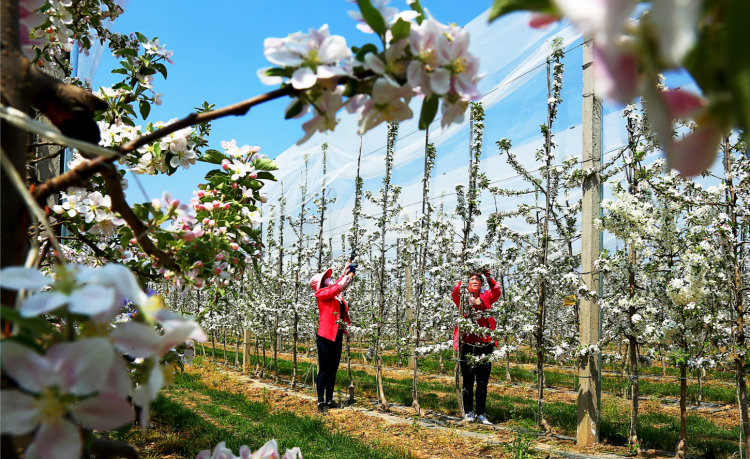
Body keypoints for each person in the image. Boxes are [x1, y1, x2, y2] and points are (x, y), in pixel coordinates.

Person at [452, 268, 501, 425]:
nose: (474, 280)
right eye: (471, 278)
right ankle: (469, 412)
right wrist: (463, 272)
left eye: (478, 279)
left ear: (481, 283)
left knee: (482, 382)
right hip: (467, 343)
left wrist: (489, 277)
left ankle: (481, 413)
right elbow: (455, 291)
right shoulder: (462, 297)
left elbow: (496, 292)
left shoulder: (486, 295)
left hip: (485, 344)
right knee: (467, 380)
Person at [309, 262, 356, 413]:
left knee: (333, 370)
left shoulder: (335, 295)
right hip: (325, 336)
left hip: (337, 335)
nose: (329, 279)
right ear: (320, 284)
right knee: (324, 370)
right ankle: (320, 402)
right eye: (326, 279)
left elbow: (339, 284)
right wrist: (346, 277)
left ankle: (330, 400)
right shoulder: (321, 294)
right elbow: (338, 286)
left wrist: (349, 266)